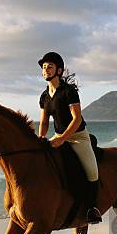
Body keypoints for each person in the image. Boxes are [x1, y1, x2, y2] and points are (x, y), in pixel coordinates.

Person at [37, 51, 102, 224]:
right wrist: (41, 139)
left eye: (50, 67)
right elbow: (43, 122)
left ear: (59, 70)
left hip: (78, 136)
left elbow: (77, 118)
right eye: (44, 67)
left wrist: (63, 138)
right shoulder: (44, 96)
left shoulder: (68, 91)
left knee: (91, 170)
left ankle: (91, 208)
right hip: (59, 135)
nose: (46, 70)